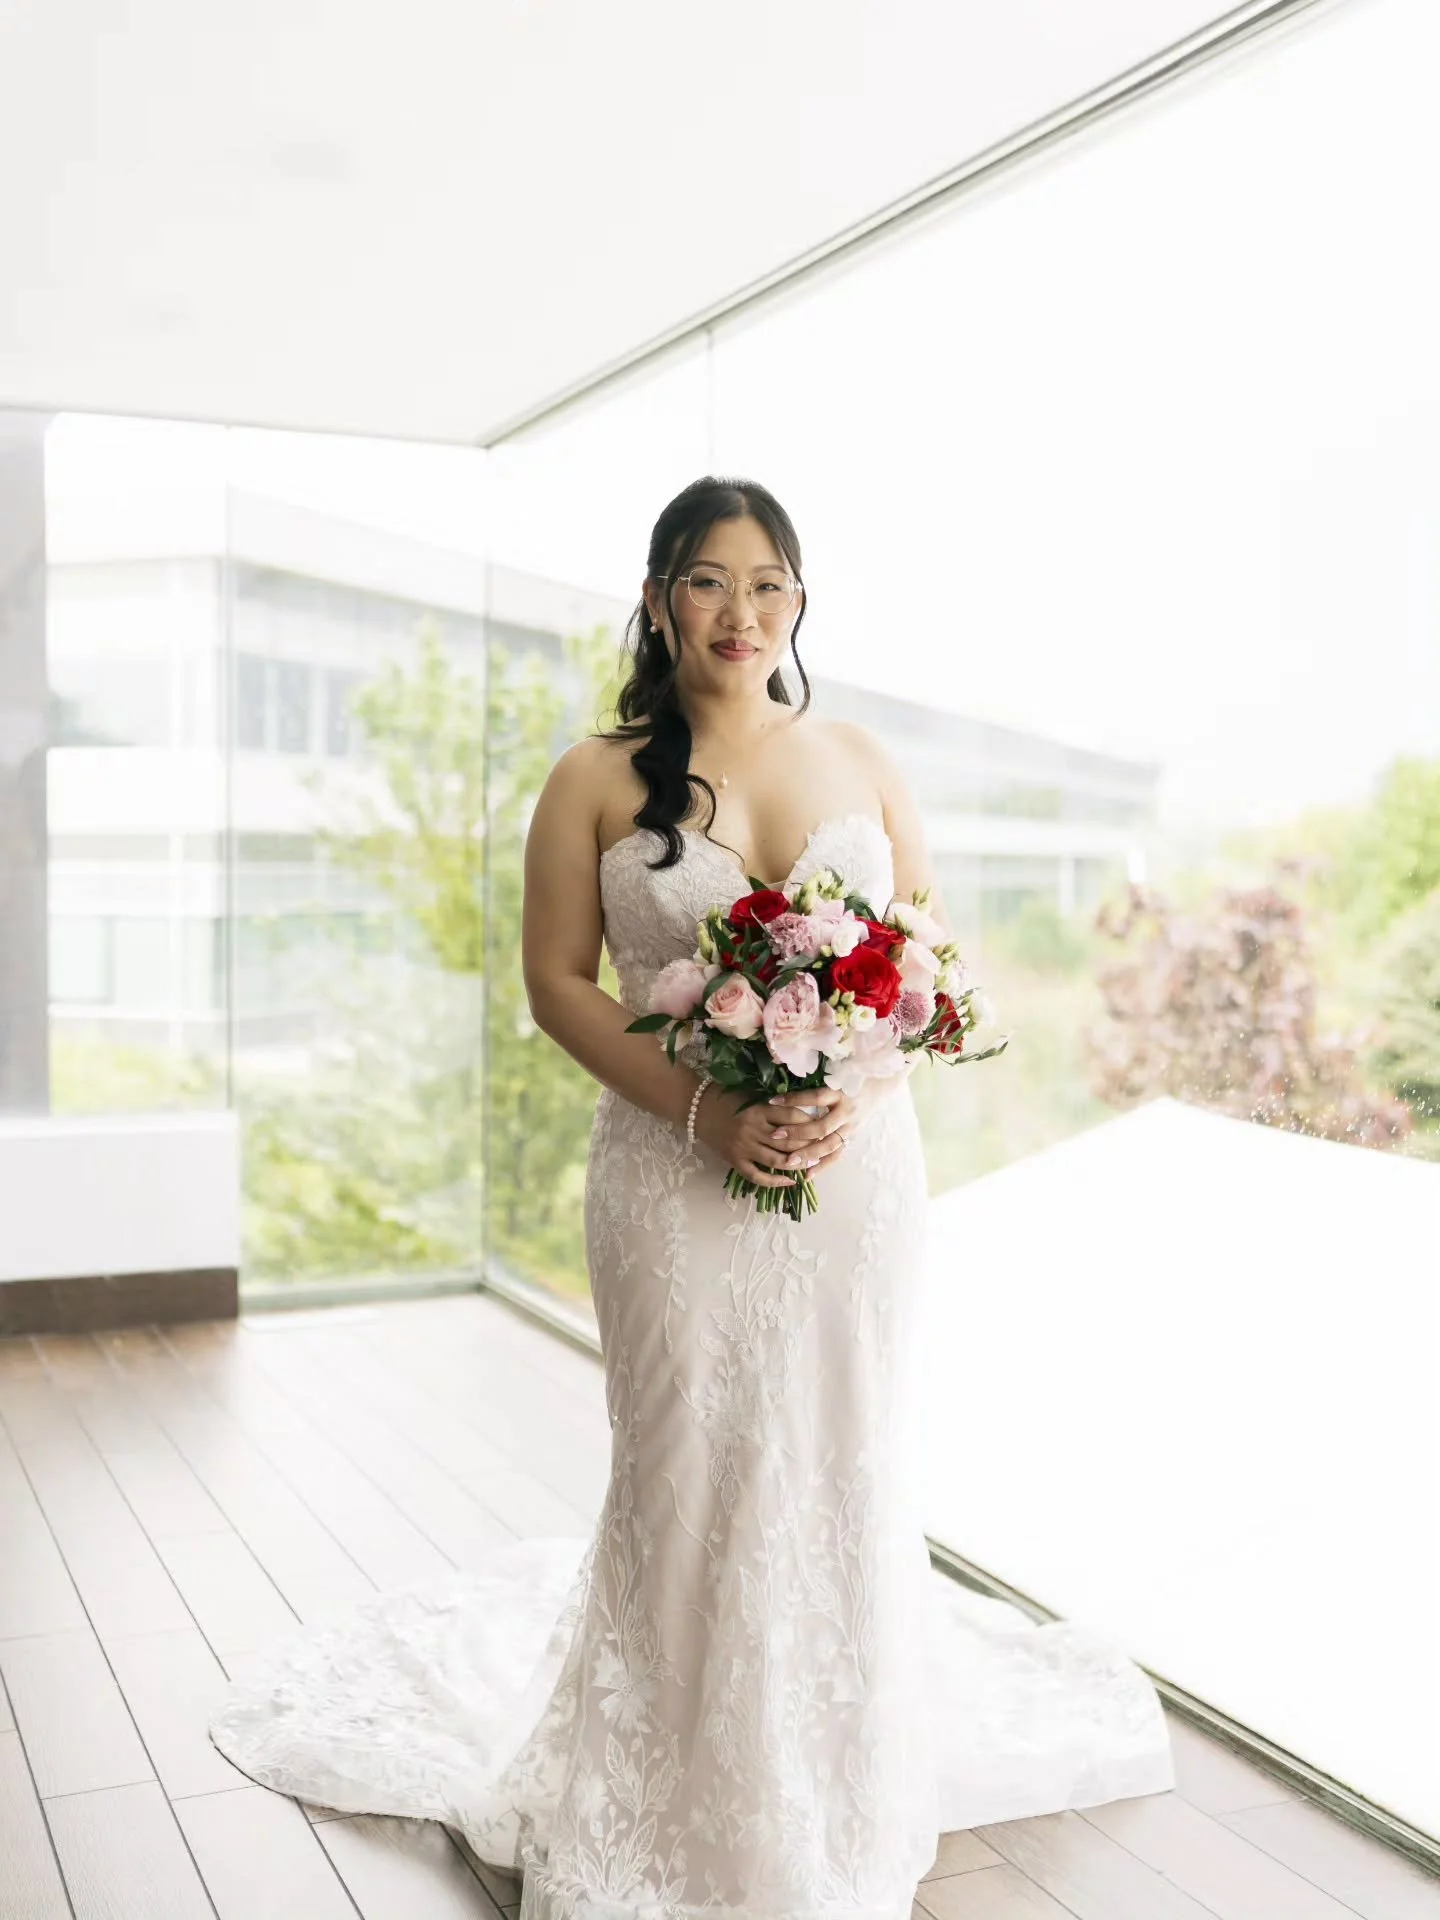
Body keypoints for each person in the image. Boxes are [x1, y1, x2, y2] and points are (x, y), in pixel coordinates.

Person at [209, 475, 1174, 1919]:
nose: (743, 612)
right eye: (712, 582)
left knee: (837, 1453)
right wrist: (710, 1107)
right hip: (670, 1175)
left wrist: (864, 1063)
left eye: (770, 584)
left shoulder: (858, 754)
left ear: (798, 604)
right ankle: (662, 1799)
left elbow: (924, 959)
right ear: (660, 595)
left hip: (856, 1177)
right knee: (690, 1458)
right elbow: (554, 985)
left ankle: (835, 1788)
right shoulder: (595, 776)